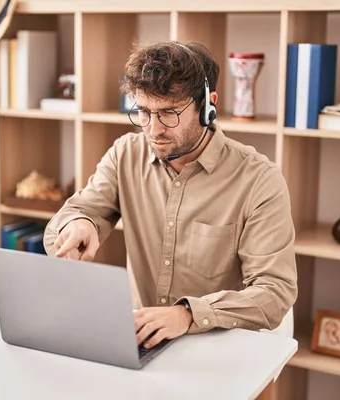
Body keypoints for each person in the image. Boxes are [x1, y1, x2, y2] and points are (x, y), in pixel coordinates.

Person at [43, 41, 298, 350]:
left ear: (208, 105)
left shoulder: (259, 180)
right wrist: (79, 224)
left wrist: (188, 314)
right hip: (138, 341)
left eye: (169, 114)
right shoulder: (126, 153)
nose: (153, 129)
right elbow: (75, 213)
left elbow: (274, 292)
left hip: (218, 346)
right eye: (144, 112)